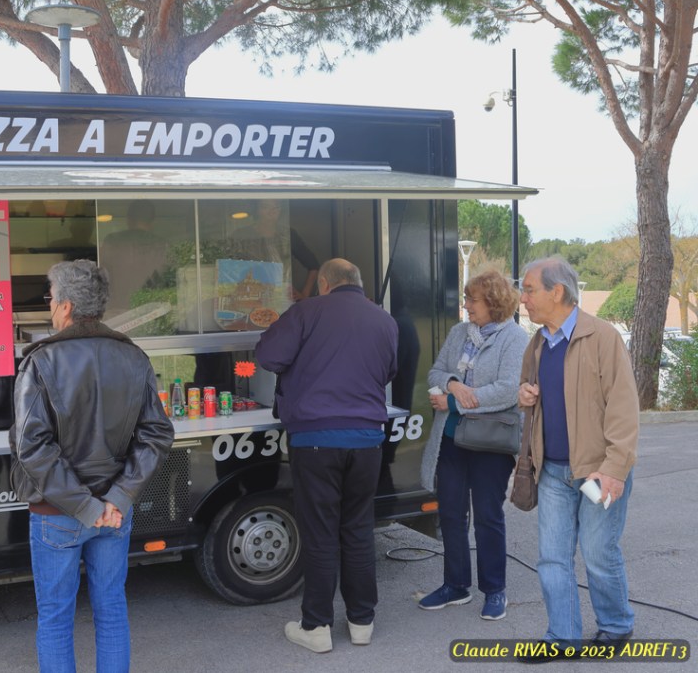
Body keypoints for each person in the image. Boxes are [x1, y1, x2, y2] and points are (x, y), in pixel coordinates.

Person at [10, 259, 174, 673]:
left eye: (51, 298)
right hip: (115, 511)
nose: (50, 306)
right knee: (112, 610)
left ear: (66, 306)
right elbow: (156, 434)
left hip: (57, 512)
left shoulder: (41, 361)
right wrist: (117, 498)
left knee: (55, 618)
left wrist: (85, 506)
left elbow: (32, 447)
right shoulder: (133, 357)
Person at [254, 258, 397, 653]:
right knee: (357, 529)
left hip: (315, 439)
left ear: (324, 284)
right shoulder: (384, 320)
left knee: (320, 533)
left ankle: (316, 626)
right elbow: (388, 371)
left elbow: (268, 357)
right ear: (358, 282)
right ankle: (362, 622)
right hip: (367, 440)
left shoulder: (305, 312)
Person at [516, 256, 638, 663]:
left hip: (597, 471)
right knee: (552, 557)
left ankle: (616, 626)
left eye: (529, 290)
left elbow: (624, 409)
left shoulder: (602, 337)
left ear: (557, 292)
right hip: (552, 471)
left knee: (599, 552)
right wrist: (524, 394)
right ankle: (561, 636)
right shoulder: (538, 342)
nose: (523, 298)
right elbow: (530, 389)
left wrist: (615, 469)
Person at [418, 270, 528, 620]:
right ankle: (456, 586)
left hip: (490, 445)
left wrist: (455, 401)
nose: (466, 306)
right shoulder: (458, 333)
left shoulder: (515, 338)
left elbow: (508, 390)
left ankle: (494, 590)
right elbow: (435, 372)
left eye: (472, 300)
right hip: (451, 440)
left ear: (494, 302)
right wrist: (453, 384)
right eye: (466, 299)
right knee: (450, 514)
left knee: (487, 517)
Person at [232, 199, 320, 300]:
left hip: (281, 298)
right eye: (265, 207)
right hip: (250, 296)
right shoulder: (242, 235)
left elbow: (314, 265)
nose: (272, 212)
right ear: (256, 209)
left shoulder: (288, 235)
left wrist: (304, 295)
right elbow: (231, 269)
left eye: (276, 207)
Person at [100, 199, 167, 313]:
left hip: (117, 311)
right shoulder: (162, 245)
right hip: (151, 311)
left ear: (128, 219)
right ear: (152, 221)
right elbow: (167, 280)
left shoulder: (112, 241)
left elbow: (102, 278)